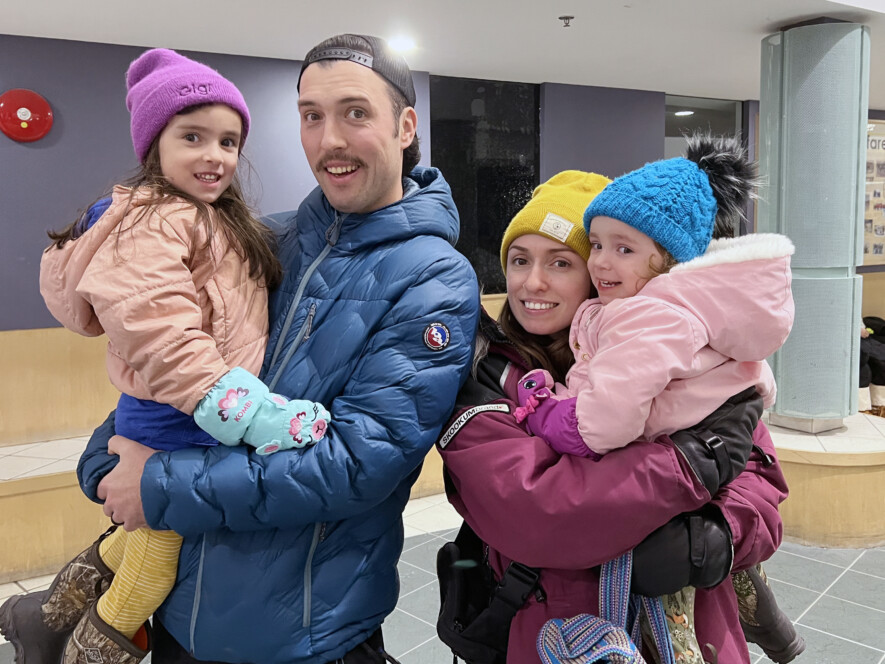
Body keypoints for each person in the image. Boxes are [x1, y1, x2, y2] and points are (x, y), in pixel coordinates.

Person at [0, 34, 480, 664]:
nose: (329, 137)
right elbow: (167, 362)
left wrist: (157, 485)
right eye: (312, 115)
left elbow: (358, 465)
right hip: (178, 608)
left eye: (355, 112)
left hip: (298, 634)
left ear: (406, 126)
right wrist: (107, 461)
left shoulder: (434, 279)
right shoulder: (263, 238)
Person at [19, 47, 332, 664]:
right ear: (153, 146)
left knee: (135, 539)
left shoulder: (206, 217)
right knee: (156, 560)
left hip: (181, 409)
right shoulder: (154, 221)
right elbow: (159, 330)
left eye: (228, 141)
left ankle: (49, 618)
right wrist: (246, 412)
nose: (214, 156)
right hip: (181, 412)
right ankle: (84, 654)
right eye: (193, 137)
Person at [437, 168, 802, 664]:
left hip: (695, 632)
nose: (532, 282)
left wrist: (717, 536)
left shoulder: (676, 351)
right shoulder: (486, 374)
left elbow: (763, 481)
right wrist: (690, 462)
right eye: (519, 260)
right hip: (561, 632)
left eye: (561, 262)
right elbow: (538, 511)